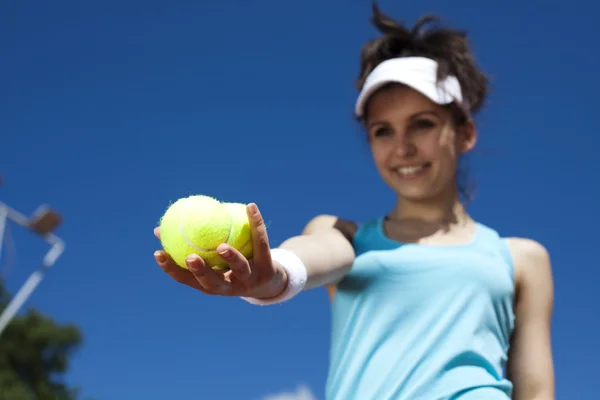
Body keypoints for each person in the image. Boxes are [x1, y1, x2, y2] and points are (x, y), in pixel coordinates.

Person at [153, 3, 555, 399]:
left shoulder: (522, 259)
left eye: (423, 124)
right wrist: (272, 275)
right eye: (383, 131)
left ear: (465, 133)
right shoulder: (343, 234)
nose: (403, 148)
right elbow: (310, 256)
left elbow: (536, 392)